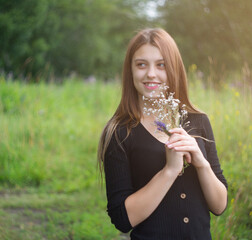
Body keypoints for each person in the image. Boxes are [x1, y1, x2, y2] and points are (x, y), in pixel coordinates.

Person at [97, 28, 228, 240]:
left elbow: (220, 205)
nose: (151, 73)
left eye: (161, 65)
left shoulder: (198, 121)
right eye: (141, 64)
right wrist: (169, 170)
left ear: (174, 68)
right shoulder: (119, 132)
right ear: (130, 71)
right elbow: (122, 220)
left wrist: (201, 162)